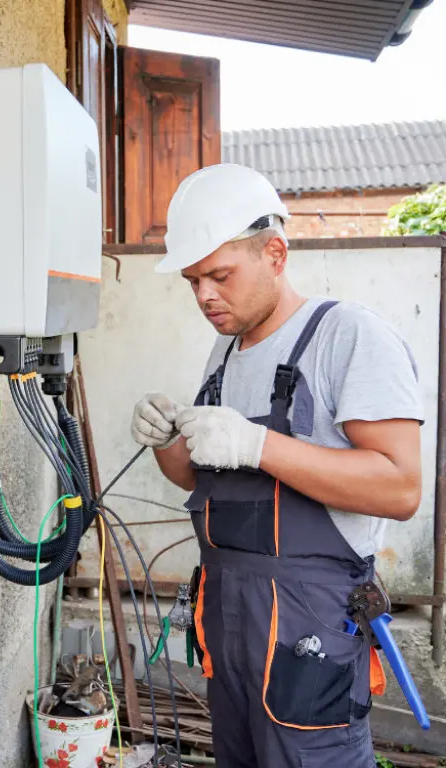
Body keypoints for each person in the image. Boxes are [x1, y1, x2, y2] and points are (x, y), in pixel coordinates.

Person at [130, 163, 424, 768]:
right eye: (193, 281)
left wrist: (259, 446)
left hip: (307, 633)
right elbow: (198, 480)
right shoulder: (226, 348)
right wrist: (167, 442)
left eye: (219, 275)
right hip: (230, 624)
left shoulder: (346, 336)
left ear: (275, 252)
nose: (205, 296)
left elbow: (400, 487)